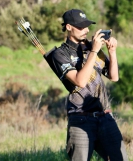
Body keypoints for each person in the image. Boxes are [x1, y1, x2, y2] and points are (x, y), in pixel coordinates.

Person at [51, 9, 128, 161]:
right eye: (80, 27)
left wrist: (112, 52)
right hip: (81, 119)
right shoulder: (60, 54)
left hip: (105, 116)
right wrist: (94, 51)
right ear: (68, 27)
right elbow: (80, 81)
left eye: (87, 26)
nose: (86, 30)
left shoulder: (92, 48)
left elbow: (114, 77)